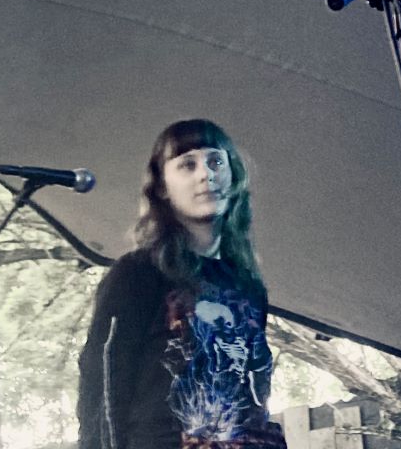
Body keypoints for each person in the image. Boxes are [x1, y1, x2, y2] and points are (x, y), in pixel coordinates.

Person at [78, 119, 286, 449]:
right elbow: (101, 386)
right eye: (188, 165)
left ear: (233, 175)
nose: (206, 174)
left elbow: (254, 387)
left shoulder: (248, 287)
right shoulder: (136, 274)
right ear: (162, 186)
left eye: (216, 161)